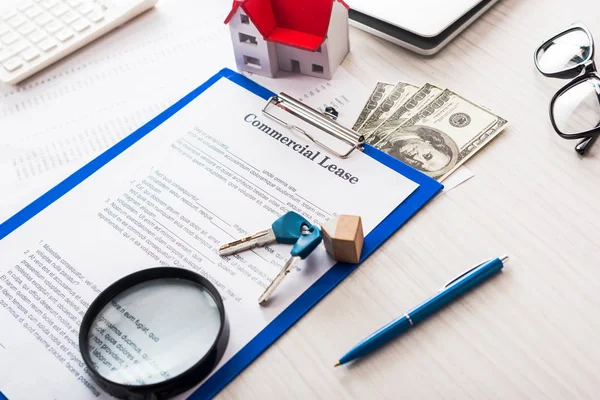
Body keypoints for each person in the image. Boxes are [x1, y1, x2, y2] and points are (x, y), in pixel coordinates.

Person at [378, 125, 459, 179]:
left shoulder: (383, 152)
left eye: (418, 164)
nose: (415, 157)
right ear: (430, 142)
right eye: (427, 156)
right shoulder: (405, 126)